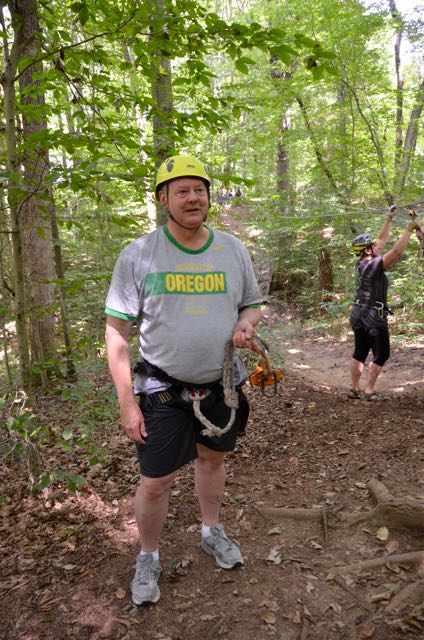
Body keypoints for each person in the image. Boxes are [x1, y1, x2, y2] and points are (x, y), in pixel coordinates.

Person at [105, 154, 262, 605]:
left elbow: (251, 302)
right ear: (163, 199)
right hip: (162, 389)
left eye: (200, 190)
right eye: (182, 191)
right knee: (156, 481)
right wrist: (126, 403)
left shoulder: (232, 249)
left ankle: (212, 531)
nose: (193, 198)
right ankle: (149, 555)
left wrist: (246, 324)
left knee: (213, 461)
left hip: (221, 385)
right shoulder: (138, 255)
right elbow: (116, 334)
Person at [348, 206, 421, 401]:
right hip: (373, 316)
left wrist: (389, 218)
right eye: (374, 245)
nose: (378, 245)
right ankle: (369, 390)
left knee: (360, 351)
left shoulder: (361, 263)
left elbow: (382, 239)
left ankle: (354, 389)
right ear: (368, 250)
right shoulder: (373, 265)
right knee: (382, 354)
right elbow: (396, 252)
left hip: (358, 314)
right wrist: (409, 229)